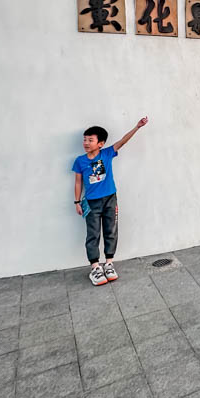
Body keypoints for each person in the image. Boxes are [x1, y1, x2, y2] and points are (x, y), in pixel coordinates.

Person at [72, 118, 148, 285]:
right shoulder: (80, 161)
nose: (86, 143)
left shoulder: (106, 153)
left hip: (110, 199)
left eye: (90, 140)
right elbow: (78, 182)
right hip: (91, 202)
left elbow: (122, 141)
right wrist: (77, 202)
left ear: (100, 143)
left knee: (110, 230)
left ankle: (109, 263)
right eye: (85, 139)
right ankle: (95, 267)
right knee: (93, 234)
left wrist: (137, 127)